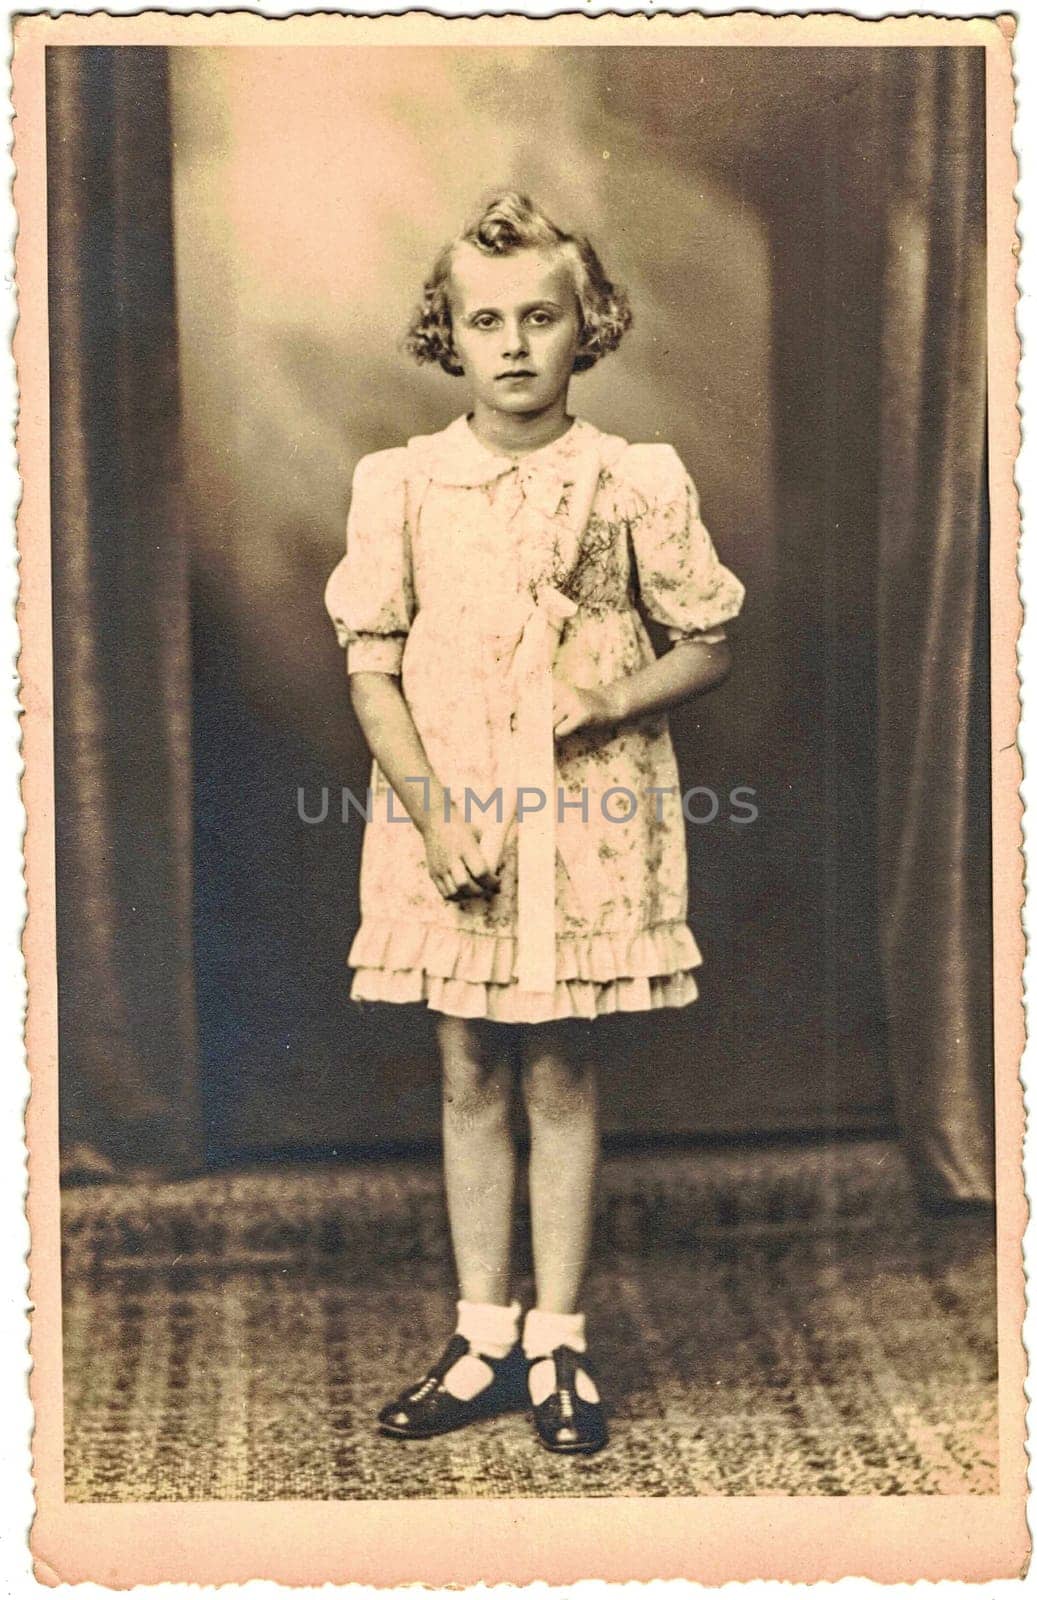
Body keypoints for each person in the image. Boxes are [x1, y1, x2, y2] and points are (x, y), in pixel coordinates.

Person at [324, 191, 745, 1456]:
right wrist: (434, 812)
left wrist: (605, 693)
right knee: (465, 1069)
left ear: (588, 324)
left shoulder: (633, 480)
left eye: (542, 318)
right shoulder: (399, 483)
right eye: (485, 319)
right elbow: (371, 663)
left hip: (586, 816)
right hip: (450, 817)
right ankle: (482, 1336)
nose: (514, 344)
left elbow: (711, 636)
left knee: (559, 1068)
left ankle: (559, 1338)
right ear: (447, 331)